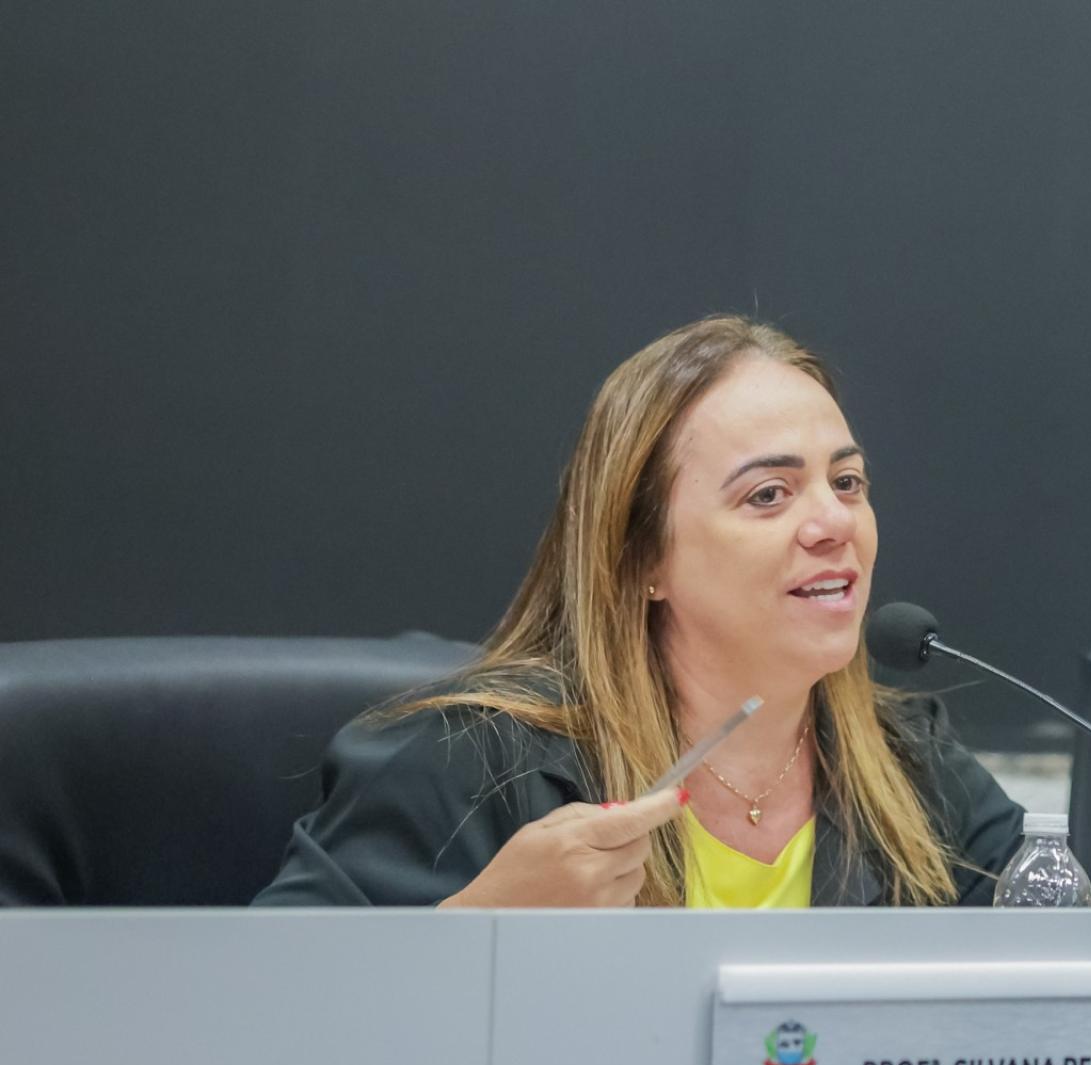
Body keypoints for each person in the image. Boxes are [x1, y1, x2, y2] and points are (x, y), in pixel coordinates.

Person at [253, 316, 1023, 909]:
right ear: (642, 558)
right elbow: (260, 1016)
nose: (833, 522)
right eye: (768, 495)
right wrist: (477, 927)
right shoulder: (460, 765)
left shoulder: (913, 769)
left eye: (847, 483)